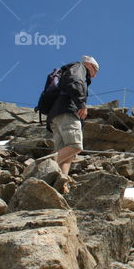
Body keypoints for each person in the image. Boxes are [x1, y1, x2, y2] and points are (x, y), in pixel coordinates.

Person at [46, 55, 99, 193]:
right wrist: (81, 103)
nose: (95, 75)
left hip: (56, 115)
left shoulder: (71, 69)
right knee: (75, 146)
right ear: (89, 65)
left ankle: (61, 183)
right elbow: (74, 81)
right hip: (67, 112)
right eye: (96, 70)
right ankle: (40, 165)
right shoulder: (79, 68)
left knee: (67, 155)